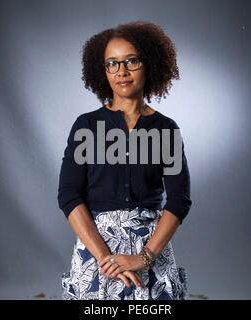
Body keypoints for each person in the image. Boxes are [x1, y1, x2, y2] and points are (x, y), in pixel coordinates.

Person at [58, 21, 192, 300]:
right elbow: (70, 195)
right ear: (102, 70)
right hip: (96, 250)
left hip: (151, 248)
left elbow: (179, 199)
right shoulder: (86, 126)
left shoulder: (166, 129)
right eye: (112, 64)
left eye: (131, 61)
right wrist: (106, 258)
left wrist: (144, 258)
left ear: (150, 63)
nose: (122, 71)